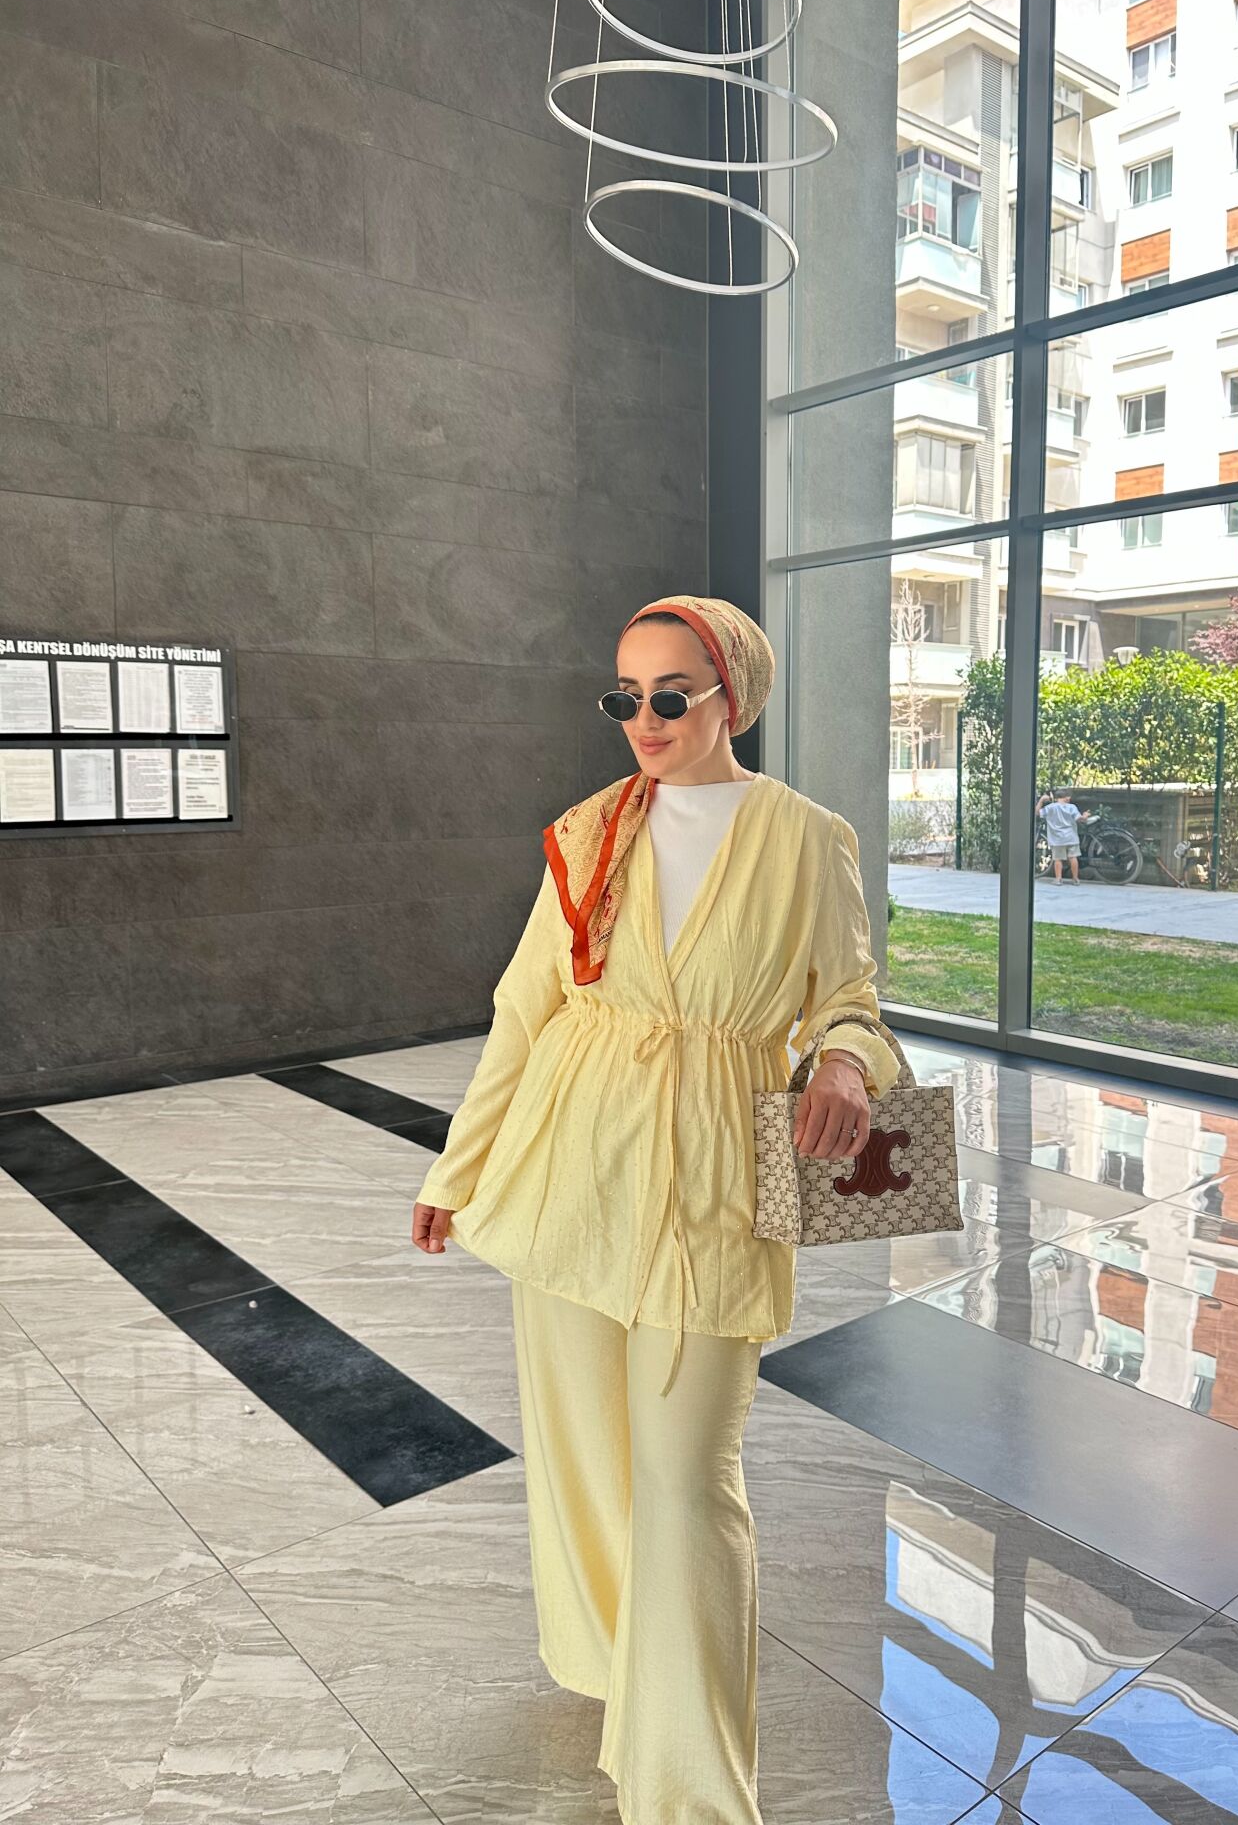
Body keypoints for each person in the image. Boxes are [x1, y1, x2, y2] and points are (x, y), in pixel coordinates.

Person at [409, 594, 899, 1824]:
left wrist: (845, 1064)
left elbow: (851, 1000)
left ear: (734, 696)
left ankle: (694, 1793)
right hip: (572, 1171)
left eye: (670, 694)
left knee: (688, 1480)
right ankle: (615, 1671)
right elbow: (525, 1009)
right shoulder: (592, 832)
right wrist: (455, 1169)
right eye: (623, 696)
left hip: (716, 1185)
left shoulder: (807, 838)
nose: (644, 717)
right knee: (585, 1457)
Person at [1037, 787, 1083, 881]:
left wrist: (1041, 800)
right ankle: (1075, 878)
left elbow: (1037, 813)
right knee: (1073, 857)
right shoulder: (1072, 807)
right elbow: (1079, 818)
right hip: (1071, 837)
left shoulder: (1051, 807)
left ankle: (1058, 878)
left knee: (1058, 859)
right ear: (1066, 798)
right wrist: (1084, 817)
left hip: (1057, 839)